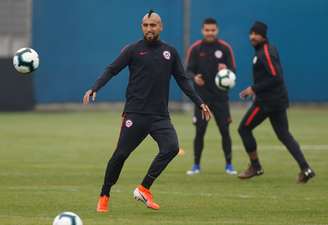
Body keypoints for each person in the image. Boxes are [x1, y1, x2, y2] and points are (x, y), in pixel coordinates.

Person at [82, 10, 211, 212]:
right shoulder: (133, 50)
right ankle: (104, 194)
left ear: (161, 27)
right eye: (145, 25)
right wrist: (95, 87)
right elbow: (111, 69)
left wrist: (199, 102)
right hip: (135, 114)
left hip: (160, 116)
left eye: (153, 25)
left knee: (171, 148)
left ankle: (144, 188)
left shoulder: (170, 52)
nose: (149, 28)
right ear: (142, 27)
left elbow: (183, 81)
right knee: (120, 155)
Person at [238, 21, 315, 183]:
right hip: (277, 100)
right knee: (284, 135)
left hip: (267, 102)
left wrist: (254, 89)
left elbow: (276, 77)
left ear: (263, 35)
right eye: (251, 33)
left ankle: (255, 166)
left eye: (256, 33)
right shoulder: (264, 50)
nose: (252, 36)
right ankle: (306, 168)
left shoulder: (265, 52)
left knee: (244, 129)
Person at [185, 18, 237, 175]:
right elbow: (187, 71)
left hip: (221, 98)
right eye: (207, 30)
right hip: (201, 99)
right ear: (202, 31)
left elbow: (233, 71)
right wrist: (195, 78)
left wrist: (226, 69)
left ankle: (229, 165)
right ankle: (196, 165)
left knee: (225, 131)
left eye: (212, 30)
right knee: (200, 131)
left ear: (217, 30)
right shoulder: (195, 48)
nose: (210, 33)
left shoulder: (225, 48)